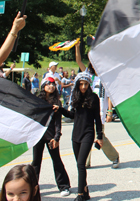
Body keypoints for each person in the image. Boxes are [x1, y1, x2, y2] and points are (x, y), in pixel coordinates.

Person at [55, 72, 103, 201]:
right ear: (77, 84)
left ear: (89, 84)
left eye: (86, 84)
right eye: (81, 84)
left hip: (88, 134)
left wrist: (100, 136)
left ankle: (80, 194)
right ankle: (86, 191)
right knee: (79, 165)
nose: (83, 87)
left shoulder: (93, 98)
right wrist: (60, 109)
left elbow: (97, 119)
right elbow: (72, 115)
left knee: (81, 164)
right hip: (76, 135)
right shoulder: (74, 96)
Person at [75, 42, 120, 169]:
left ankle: (114, 157)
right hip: (87, 112)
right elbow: (78, 61)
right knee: (86, 137)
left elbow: (109, 96)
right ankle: (85, 162)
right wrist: (78, 47)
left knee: (99, 137)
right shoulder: (89, 75)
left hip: (100, 112)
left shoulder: (106, 77)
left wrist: (110, 112)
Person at [31, 77, 71, 197]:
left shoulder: (56, 103)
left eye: (53, 84)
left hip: (51, 137)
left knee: (57, 161)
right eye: (49, 84)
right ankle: (32, 187)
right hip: (38, 136)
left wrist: (57, 137)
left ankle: (64, 186)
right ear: (43, 86)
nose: (51, 86)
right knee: (36, 162)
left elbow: (58, 122)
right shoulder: (37, 101)